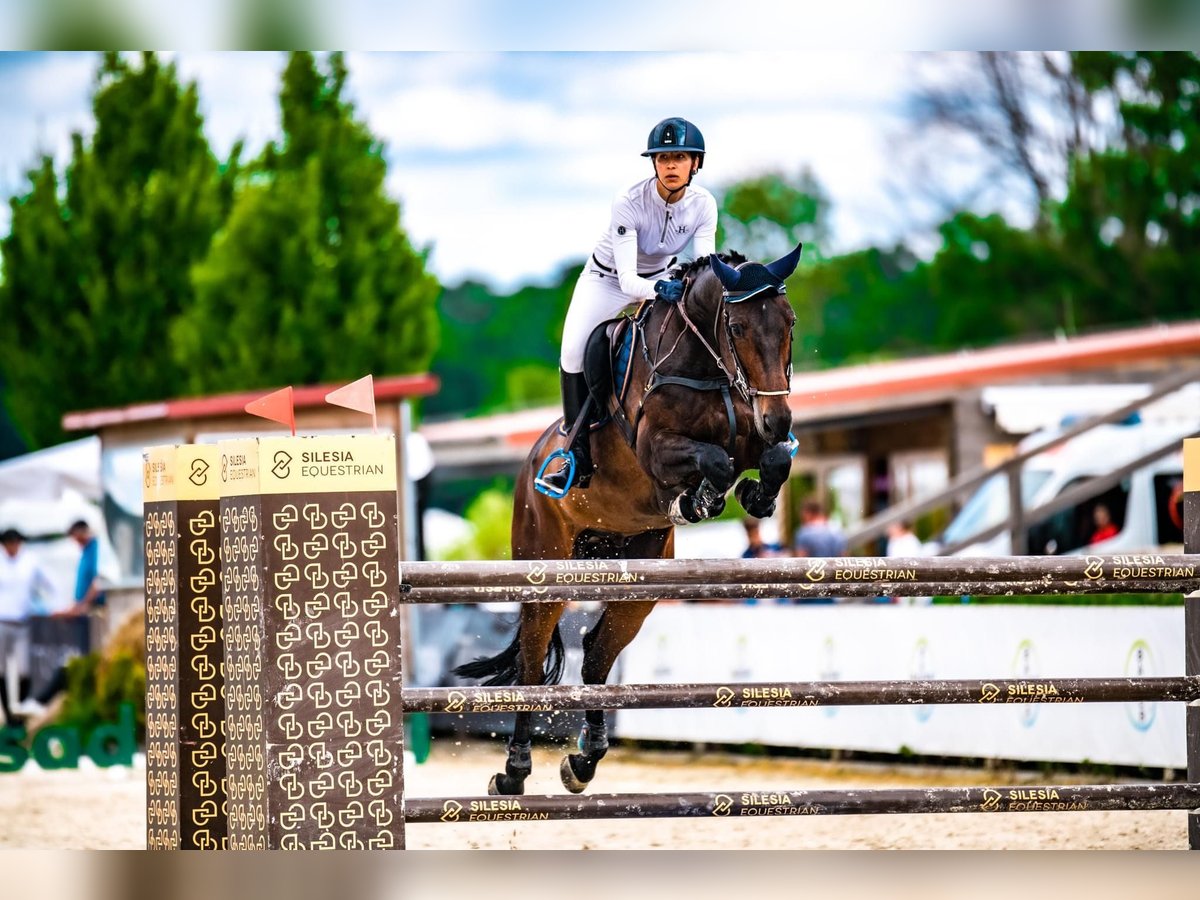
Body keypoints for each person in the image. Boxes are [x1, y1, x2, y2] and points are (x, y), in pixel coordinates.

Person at [535, 116, 718, 497]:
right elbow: (629, 280)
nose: (670, 165)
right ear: (653, 163)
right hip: (608, 280)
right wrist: (660, 290)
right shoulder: (629, 201)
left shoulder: (704, 206)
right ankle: (575, 452)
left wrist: (691, 291)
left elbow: (703, 269)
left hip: (665, 280)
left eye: (679, 157)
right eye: (663, 157)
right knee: (572, 352)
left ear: (695, 164)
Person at [0, 528, 55, 721]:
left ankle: (21, 710)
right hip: (2, 622)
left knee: (24, 669)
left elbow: (49, 585)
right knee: (3, 670)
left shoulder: (30, 561)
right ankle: (8, 713)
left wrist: (46, 607)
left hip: (22, 622)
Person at [55, 519, 106, 617]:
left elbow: (99, 581)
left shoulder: (97, 549)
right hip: (83, 608)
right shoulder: (85, 552)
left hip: (94, 608)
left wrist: (82, 604)